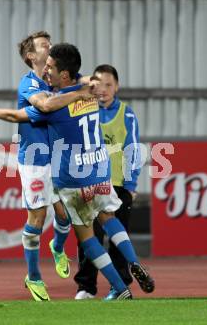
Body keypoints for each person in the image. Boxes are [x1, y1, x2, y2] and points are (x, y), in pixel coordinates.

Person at [0, 43, 154, 300]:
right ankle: (134, 260)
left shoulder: (55, 105)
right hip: (100, 170)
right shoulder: (90, 95)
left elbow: (17, 116)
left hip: (74, 178)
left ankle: (119, 287)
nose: (46, 71)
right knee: (109, 218)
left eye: (51, 67)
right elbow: (84, 84)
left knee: (88, 238)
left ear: (63, 74)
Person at [74, 64, 150, 300]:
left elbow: (133, 150)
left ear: (117, 87)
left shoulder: (126, 114)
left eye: (109, 84)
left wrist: (131, 185)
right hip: (89, 183)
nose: (104, 90)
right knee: (89, 238)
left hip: (117, 186)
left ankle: (120, 286)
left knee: (118, 239)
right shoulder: (84, 110)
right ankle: (86, 287)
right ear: (91, 86)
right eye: (100, 85)